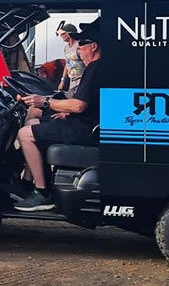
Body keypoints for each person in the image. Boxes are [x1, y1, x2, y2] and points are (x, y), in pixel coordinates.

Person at [13, 19, 103, 212]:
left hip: (85, 129)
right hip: (84, 122)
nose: (79, 51)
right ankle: (29, 183)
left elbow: (79, 105)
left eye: (82, 47)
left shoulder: (96, 69)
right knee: (35, 120)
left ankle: (42, 193)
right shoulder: (95, 68)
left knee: (25, 134)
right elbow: (82, 104)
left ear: (93, 47)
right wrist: (62, 110)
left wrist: (46, 102)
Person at [55, 21, 85, 93]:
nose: (61, 36)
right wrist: (63, 81)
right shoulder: (66, 48)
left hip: (82, 81)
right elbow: (67, 64)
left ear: (70, 34)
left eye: (63, 34)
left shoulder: (80, 45)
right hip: (72, 83)